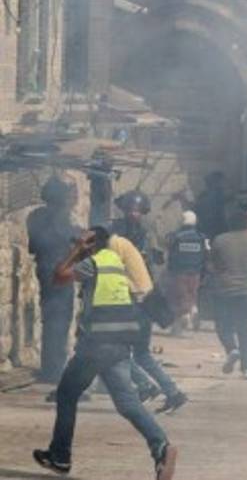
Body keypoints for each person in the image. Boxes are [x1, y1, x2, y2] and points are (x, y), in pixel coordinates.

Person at [32, 226, 178, 480]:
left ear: (90, 244)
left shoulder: (93, 263)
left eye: (81, 243)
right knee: (128, 403)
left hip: (95, 346)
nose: (76, 248)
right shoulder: (114, 262)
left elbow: (59, 275)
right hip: (119, 343)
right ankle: (161, 447)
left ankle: (60, 457)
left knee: (66, 394)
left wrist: (77, 249)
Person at [111, 191, 183, 410]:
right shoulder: (135, 233)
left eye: (137, 210)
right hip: (139, 297)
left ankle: (147, 386)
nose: (134, 214)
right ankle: (169, 391)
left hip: (133, 299)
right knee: (138, 352)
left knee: (112, 349)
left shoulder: (132, 236)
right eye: (131, 209)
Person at [28, 176, 82, 390]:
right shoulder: (58, 215)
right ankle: (53, 370)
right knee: (59, 321)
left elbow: (32, 246)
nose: (72, 199)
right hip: (59, 272)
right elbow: (66, 237)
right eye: (68, 194)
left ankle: (50, 367)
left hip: (45, 270)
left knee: (51, 320)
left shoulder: (35, 215)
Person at [209, 211, 247, 379]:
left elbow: (213, 264)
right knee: (245, 328)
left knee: (223, 324)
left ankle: (232, 349)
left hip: (226, 290)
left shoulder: (220, 240)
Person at [164, 211, 208, 337]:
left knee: (178, 298)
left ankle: (183, 319)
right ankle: (194, 310)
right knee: (192, 295)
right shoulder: (202, 237)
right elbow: (206, 255)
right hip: (195, 273)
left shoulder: (176, 237)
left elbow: (169, 252)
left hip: (179, 273)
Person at [195, 171, 228, 240]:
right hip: (216, 228)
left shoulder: (203, 195)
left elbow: (196, 209)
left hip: (207, 228)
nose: (224, 184)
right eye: (222, 182)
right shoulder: (219, 193)